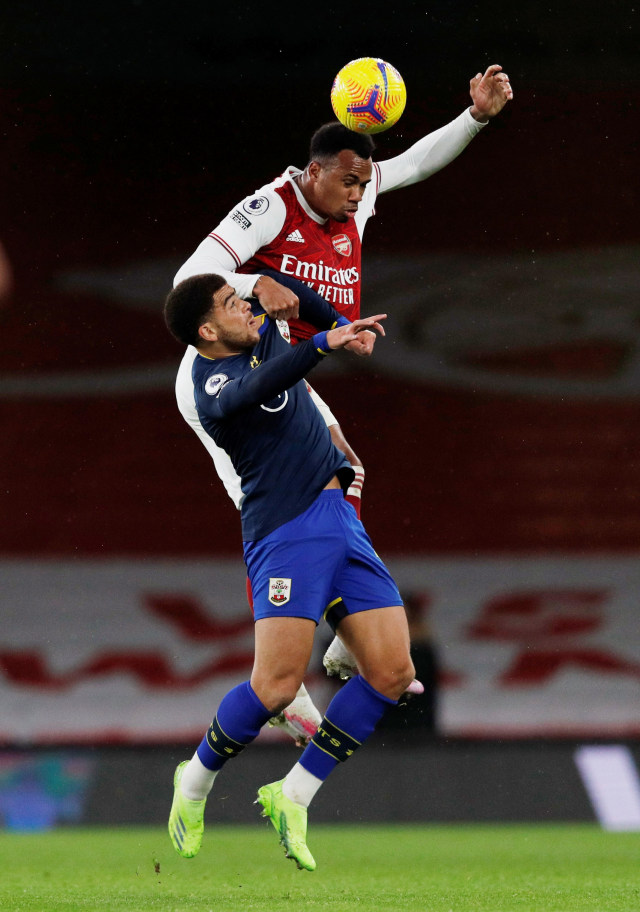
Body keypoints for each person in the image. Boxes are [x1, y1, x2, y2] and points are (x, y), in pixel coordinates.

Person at [172, 64, 512, 713]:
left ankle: (337, 632)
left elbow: (413, 164)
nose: (360, 193)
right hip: (218, 375)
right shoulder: (271, 205)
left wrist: (476, 117)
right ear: (314, 171)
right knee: (268, 504)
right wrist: (250, 287)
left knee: (346, 470)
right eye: (349, 180)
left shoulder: (360, 191)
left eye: (364, 182)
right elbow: (191, 277)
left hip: (279, 372)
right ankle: (281, 674)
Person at [163, 273, 414, 871]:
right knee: (275, 686)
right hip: (286, 532)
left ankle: (293, 795)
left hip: (339, 520)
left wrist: (335, 325)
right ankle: (193, 782)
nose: (244, 306)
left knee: (392, 672)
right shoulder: (212, 386)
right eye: (230, 304)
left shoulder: (260, 333)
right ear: (207, 331)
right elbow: (266, 383)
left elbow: (293, 302)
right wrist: (323, 345)